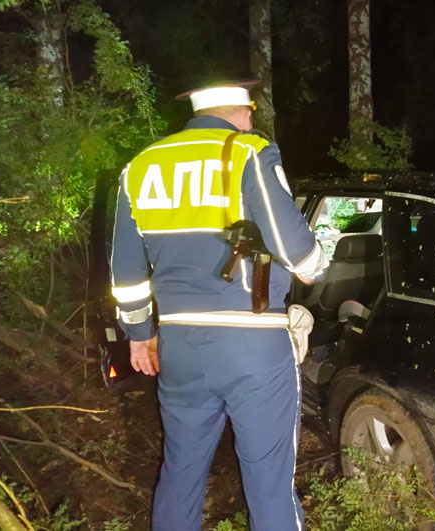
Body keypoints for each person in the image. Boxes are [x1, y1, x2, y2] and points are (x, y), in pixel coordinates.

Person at [109, 82, 327, 531]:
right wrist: (314, 265)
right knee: (268, 480)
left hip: (178, 346)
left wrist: (139, 336)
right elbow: (293, 245)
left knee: (180, 470)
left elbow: (126, 273)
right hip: (252, 346)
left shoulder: (140, 166)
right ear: (243, 113)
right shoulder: (248, 151)